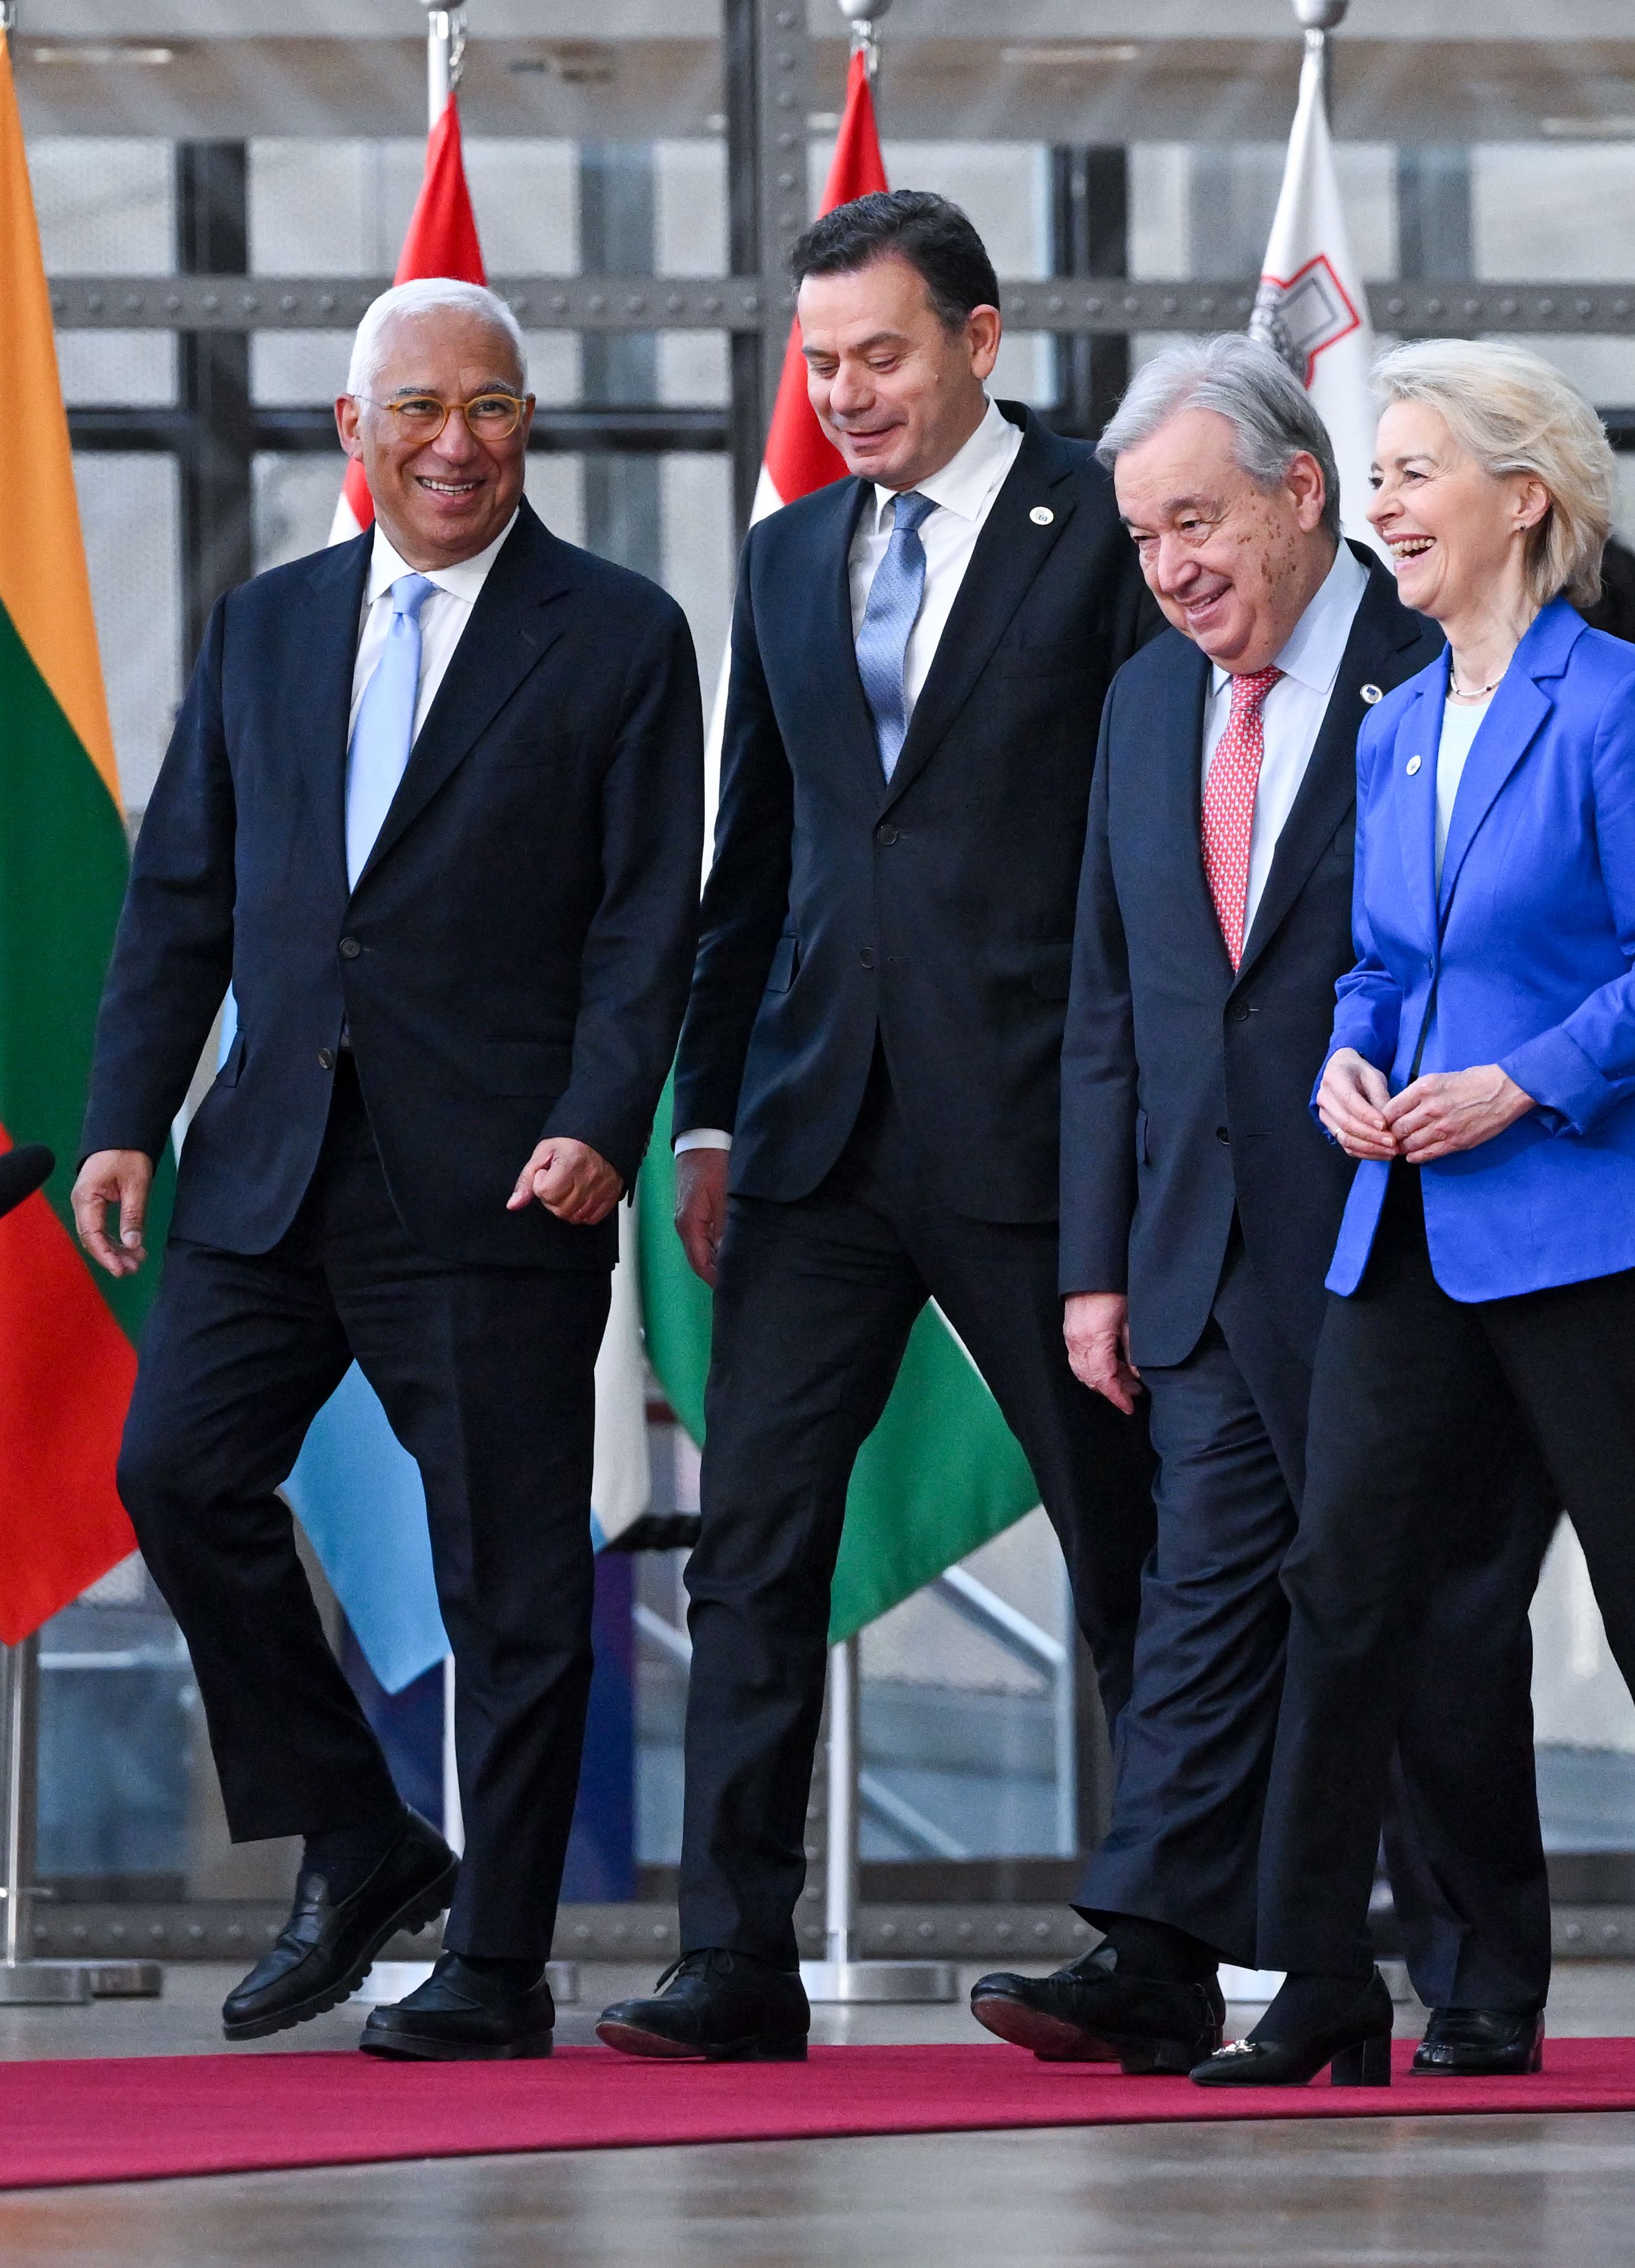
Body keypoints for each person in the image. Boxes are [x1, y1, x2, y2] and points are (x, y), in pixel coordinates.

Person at [1214, 339, 1635, 2090]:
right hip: (1406, 1228)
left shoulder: (1623, 698)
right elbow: (1376, 967)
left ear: (1523, 497)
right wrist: (1349, 1068)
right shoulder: (1398, 717)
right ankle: (1355, 1980)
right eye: (1381, 475)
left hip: (1599, 1237)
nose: (1381, 506)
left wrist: (1522, 1081)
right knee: (1357, 1594)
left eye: (1414, 471)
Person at [72, 280, 702, 2058]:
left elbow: (649, 916)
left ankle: (494, 1962)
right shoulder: (265, 626)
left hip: (502, 1179)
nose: (453, 441)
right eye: (416, 407)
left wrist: (600, 1111)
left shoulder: (620, 633)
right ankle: (356, 1834)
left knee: (507, 1577)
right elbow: (183, 890)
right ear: (352, 430)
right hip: (270, 1163)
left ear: (528, 424)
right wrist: (129, 1108)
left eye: (489, 407)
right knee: (176, 1474)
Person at [600, 190, 1163, 2060]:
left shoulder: (1103, 527)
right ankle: (732, 1961)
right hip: (814, 1128)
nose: (844, 392)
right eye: (819, 360)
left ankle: (1160, 1944)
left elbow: (1161, 833)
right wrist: (699, 1116)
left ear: (979, 341)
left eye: (881, 354)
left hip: (1041, 1122)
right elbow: (746, 858)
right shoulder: (784, 555)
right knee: (750, 1550)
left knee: (1127, 1537)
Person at [968, 335, 1560, 2078]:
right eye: (1144, 537)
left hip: (1400, 1238)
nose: (1170, 567)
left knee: (1414, 1606)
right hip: (1199, 1248)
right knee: (1207, 1602)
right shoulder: (1148, 698)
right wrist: (1094, 1265)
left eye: (1198, 522)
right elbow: (1111, 1002)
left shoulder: (1435, 662)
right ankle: (1157, 1944)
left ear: (1306, 495)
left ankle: (1476, 1968)